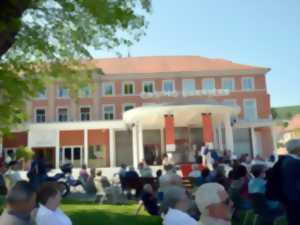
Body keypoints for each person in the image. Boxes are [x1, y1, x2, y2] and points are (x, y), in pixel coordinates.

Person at [266, 139, 300, 225]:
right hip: (295, 199)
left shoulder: (285, 160)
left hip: (288, 198)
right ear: (297, 149)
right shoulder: (294, 163)